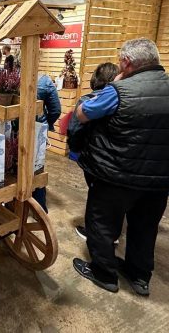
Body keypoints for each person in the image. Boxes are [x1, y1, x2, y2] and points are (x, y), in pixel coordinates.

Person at [72, 38, 169, 296]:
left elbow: (82, 113)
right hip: (159, 181)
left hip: (117, 175)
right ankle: (139, 277)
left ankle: (104, 274)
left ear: (126, 63)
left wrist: (112, 87)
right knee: (145, 228)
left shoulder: (119, 91)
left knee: (102, 224)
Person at [67, 63, 119, 242]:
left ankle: (96, 235)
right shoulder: (124, 99)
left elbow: (75, 129)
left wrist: (74, 149)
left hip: (94, 156)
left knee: (96, 196)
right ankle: (113, 232)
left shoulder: (87, 100)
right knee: (113, 199)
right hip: (118, 158)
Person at [31, 73, 61, 212]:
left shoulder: (13, 77)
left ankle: (13, 205)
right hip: (37, 130)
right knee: (37, 167)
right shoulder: (45, 81)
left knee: (15, 167)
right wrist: (44, 123)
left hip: (15, 128)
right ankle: (40, 208)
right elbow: (56, 110)